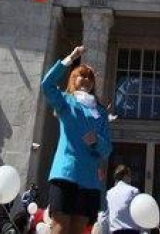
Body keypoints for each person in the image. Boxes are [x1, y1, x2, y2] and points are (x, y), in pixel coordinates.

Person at [42, 46, 112, 234]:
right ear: (73, 79)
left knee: (79, 230)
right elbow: (46, 85)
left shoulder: (101, 112)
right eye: (82, 75)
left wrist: (96, 140)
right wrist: (70, 58)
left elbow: (107, 149)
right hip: (66, 173)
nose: (87, 80)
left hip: (89, 178)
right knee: (60, 228)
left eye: (90, 77)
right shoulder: (65, 102)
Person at [107, 165, 140, 234]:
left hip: (114, 231)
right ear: (125, 176)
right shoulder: (134, 191)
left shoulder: (109, 193)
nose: (131, 178)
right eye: (130, 176)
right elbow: (140, 212)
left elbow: (107, 214)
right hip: (131, 231)